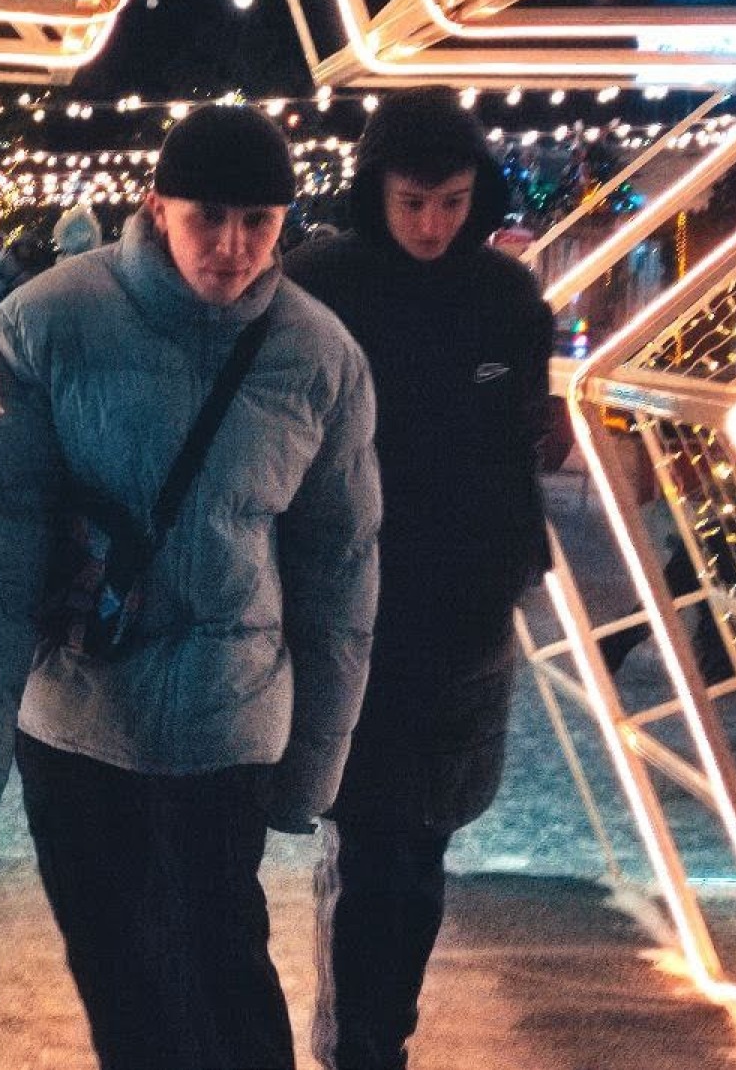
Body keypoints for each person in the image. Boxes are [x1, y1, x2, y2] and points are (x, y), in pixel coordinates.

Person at [0, 103, 382, 1070]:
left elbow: (338, 567)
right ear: (156, 206)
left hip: (227, 720)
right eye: (208, 216)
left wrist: (314, 763)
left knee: (225, 986)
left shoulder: (319, 356)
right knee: (121, 987)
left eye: (259, 222)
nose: (233, 246)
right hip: (77, 716)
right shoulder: (47, 323)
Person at [283, 101, 552, 1070]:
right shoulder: (319, 287)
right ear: (376, 192)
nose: (433, 223)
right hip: (352, 609)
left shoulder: (505, 297)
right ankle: (361, 1045)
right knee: (370, 845)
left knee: (421, 848)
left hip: (463, 617)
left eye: (452, 201)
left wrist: (512, 565)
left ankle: (381, 1033)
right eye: (412, 202)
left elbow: (520, 444)